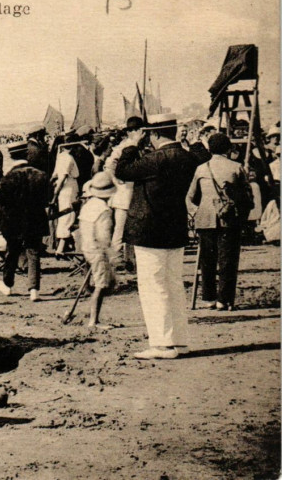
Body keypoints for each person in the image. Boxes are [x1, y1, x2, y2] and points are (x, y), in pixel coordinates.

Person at [116, 113, 211, 360]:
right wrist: (194, 140)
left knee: (153, 286)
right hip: (174, 229)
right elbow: (204, 154)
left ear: (154, 133)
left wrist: (131, 143)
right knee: (173, 285)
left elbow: (123, 171)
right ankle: (179, 342)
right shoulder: (187, 156)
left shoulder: (156, 159)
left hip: (150, 231)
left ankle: (162, 345)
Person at [187, 133, 253, 311]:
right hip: (229, 220)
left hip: (205, 221)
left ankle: (208, 298)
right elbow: (248, 198)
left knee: (207, 261)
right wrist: (242, 218)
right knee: (228, 261)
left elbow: (189, 198)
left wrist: (196, 213)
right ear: (228, 148)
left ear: (209, 148)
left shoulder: (201, 169)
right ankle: (224, 300)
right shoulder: (236, 167)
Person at [0, 141, 50, 302]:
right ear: (27, 154)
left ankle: (8, 285)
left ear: (10, 156)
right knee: (34, 253)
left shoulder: (9, 177)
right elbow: (47, 199)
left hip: (14, 221)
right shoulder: (40, 175)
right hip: (35, 219)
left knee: (12, 252)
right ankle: (34, 290)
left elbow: (0, 199)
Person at [65, 171, 118, 328]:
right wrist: (111, 254)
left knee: (99, 283)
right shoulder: (105, 211)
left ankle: (93, 318)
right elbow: (104, 236)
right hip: (98, 249)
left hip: (86, 247)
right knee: (102, 285)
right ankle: (93, 321)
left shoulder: (88, 206)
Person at [105, 116, 144, 266]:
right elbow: (108, 166)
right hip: (124, 194)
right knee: (120, 229)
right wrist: (116, 181)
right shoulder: (124, 146)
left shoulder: (140, 146)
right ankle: (115, 259)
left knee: (133, 230)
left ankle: (129, 259)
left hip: (134, 193)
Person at [51, 141, 79, 253]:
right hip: (69, 188)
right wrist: (55, 194)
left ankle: (63, 245)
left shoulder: (60, 157)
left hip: (63, 188)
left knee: (63, 214)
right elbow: (62, 178)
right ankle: (61, 247)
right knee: (68, 215)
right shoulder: (68, 158)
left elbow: (55, 175)